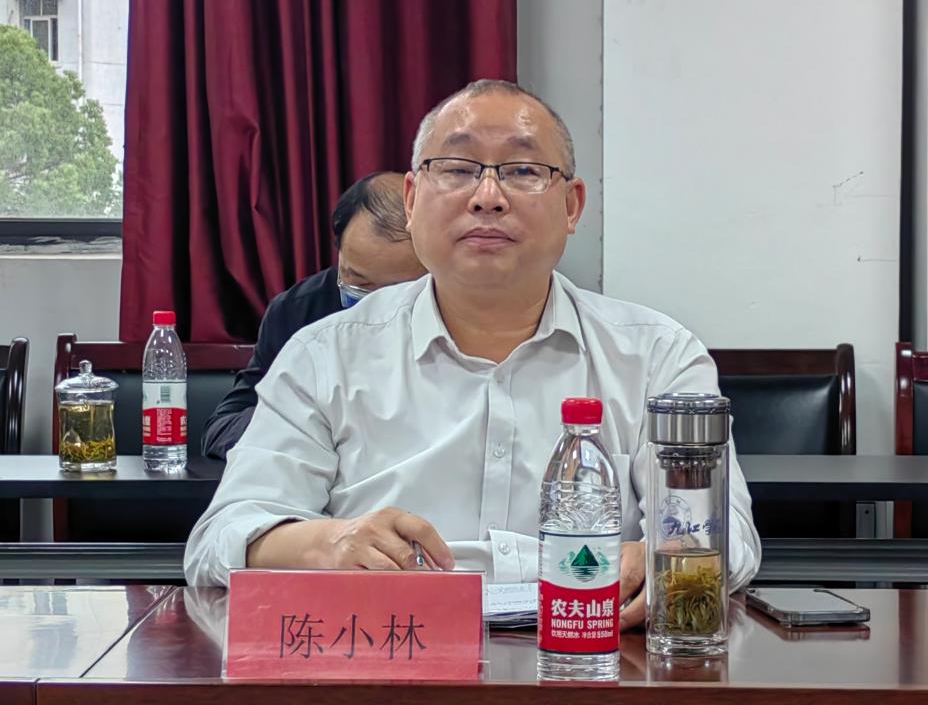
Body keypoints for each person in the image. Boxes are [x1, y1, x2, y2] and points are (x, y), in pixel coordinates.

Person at [184, 80, 761, 629]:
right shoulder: (323, 355)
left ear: (572, 206)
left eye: (524, 171)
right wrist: (328, 543)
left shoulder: (657, 355)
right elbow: (221, 539)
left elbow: (729, 538)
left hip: (591, 655)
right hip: (388, 658)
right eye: (457, 169)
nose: (488, 198)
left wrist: (666, 556)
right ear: (413, 200)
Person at [200, 172, 426, 460]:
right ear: (340, 251)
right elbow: (223, 428)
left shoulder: (458, 310)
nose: (374, 305)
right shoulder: (297, 311)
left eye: (395, 290)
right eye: (359, 281)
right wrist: (313, 424)